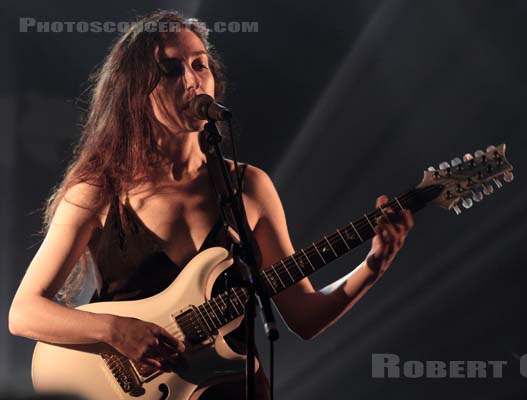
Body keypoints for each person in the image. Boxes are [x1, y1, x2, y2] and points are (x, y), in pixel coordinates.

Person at [8, 10, 413, 400]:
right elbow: (24, 312)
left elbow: (302, 315)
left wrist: (372, 267)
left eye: (200, 65)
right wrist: (116, 330)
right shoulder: (100, 190)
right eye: (170, 70)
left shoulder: (248, 186)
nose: (191, 80)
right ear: (134, 89)